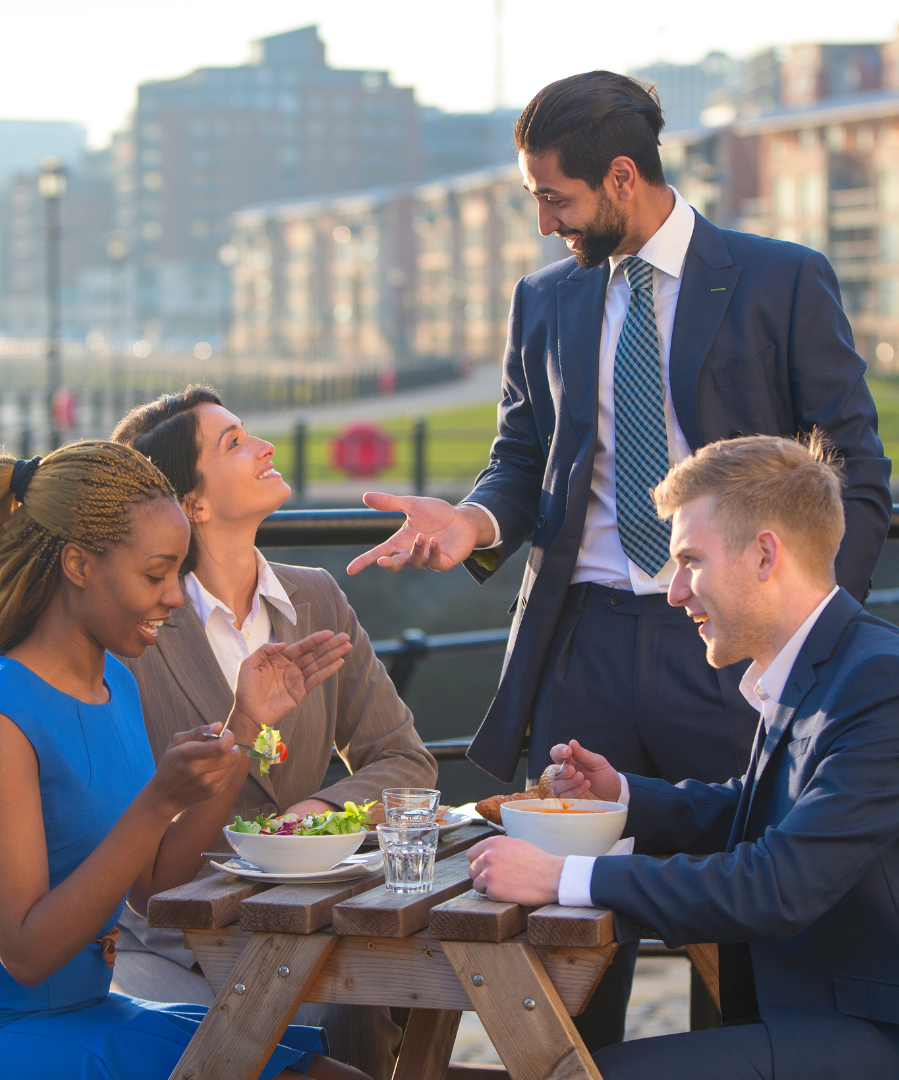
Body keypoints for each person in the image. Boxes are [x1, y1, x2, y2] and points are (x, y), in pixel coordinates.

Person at [346, 70, 892, 1049]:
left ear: (624, 177)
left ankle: (756, 1055)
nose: (546, 221)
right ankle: (569, 1065)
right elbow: (520, 460)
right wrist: (473, 524)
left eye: (555, 197)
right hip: (583, 642)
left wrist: (805, 627)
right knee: (559, 934)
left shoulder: (780, 277)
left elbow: (854, 460)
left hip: (729, 637)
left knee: (743, 902)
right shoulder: (546, 299)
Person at [0, 441, 367, 1080]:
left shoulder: (115, 681)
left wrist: (246, 725)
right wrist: (158, 802)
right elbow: (28, 954)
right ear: (78, 564)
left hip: (84, 1010)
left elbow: (158, 886)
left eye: (179, 572)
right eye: (155, 574)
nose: (175, 597)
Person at [466, 433, 899, 1079]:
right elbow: (756, 815)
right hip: (815, 1013)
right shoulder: (829, 664)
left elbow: (775, 884)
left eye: (690, 561)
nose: (674, 593)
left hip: (869, 1031)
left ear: (764, 555)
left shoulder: (877, 683)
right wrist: (626, 797)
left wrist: (561, 877)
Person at [107, 387, 437, 1080]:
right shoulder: (135, 628)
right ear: (190, 503)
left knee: (368, 1003)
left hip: (304, 928)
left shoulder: (315, 596)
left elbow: (405, 761)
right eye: (233, 443)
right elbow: (124, 823)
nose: (266, 447)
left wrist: (317, 815)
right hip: (167, 945)